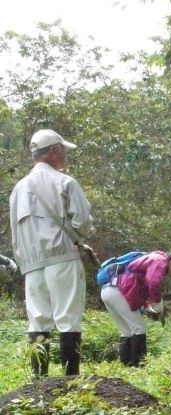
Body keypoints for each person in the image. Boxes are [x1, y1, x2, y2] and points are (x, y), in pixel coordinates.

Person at [10, 129, 94, 376]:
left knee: (38, 320)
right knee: (68, 317)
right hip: (62, 257)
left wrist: (23, 260)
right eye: (63, 150)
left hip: (32, 263)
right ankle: (70, 380)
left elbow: (15, 229)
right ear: (54, 151)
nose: (65, 155)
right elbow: (83, 222)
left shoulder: (18, 189)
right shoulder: (65, 182)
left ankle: (39, 382)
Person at [101, 251, 171, 366]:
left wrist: (148, 306)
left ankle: (126, 365)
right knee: (139, 328)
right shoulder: (160, 261)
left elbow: (142, 287)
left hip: (108, 290)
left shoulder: (151, 260)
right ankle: (139, 366)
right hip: (118, 291)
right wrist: (157, 300)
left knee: (126, 331)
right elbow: (153, 284)